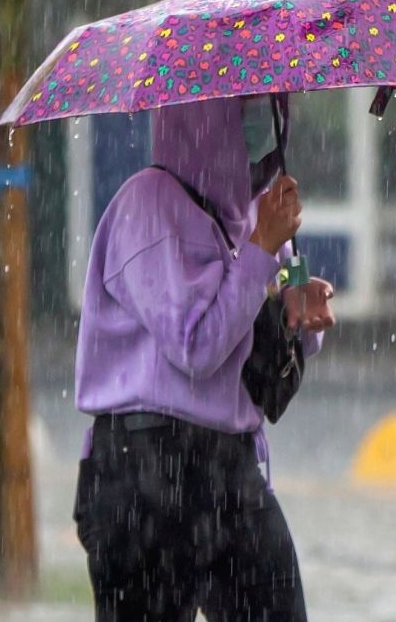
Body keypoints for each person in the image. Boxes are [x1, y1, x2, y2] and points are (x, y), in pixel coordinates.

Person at [73, 95, 335, 621]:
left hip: (229, 468)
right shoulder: (147, 207)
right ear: (207, 117)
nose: (264, 121)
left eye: (272, 105)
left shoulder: (255, 212)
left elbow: (258, 337)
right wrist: (259, 249)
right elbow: (196, 347)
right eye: (248, 107)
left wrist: (297, 311)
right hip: (146, 469)